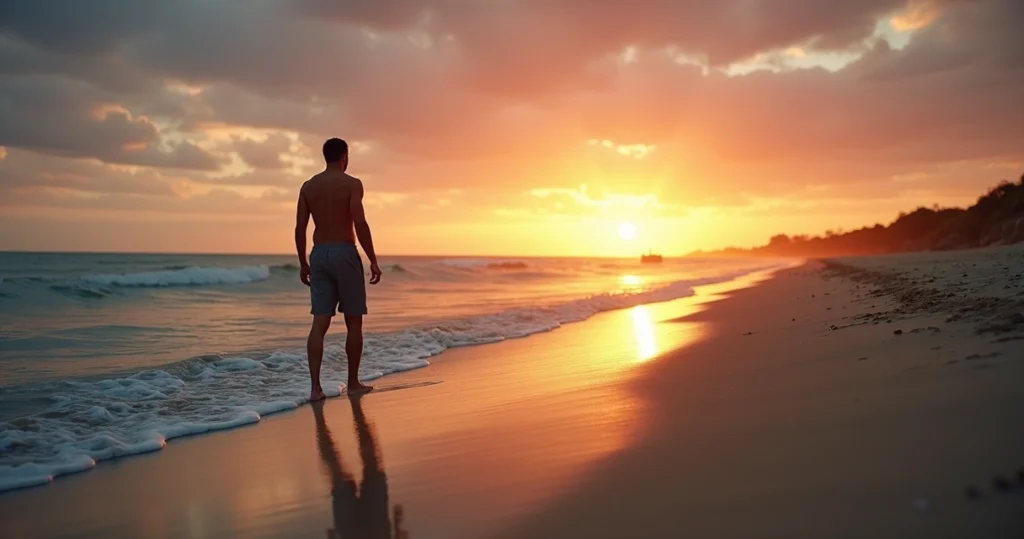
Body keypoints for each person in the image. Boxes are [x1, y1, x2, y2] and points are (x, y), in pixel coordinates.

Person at [295, 137, 382, 401]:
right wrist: (373, 259)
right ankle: (353, 383)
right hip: (344, 253)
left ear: (325, 156)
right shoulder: (352, 184)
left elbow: (300, 228)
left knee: (319, 322)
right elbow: (360, 222)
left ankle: (315, 389)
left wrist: (303, 262)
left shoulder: (308, 186)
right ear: (344, 156)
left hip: (318, 254)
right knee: (353, 321)